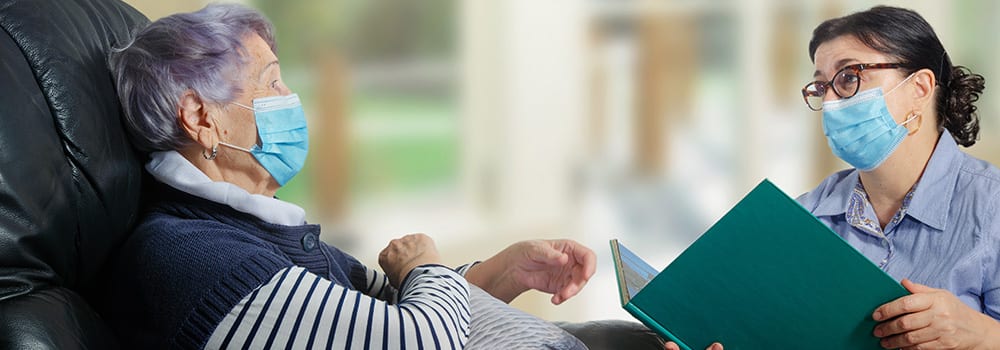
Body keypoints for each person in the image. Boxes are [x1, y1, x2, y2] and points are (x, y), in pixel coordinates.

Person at [104, 3, 664, 349]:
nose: (291, 100)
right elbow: (421, 340)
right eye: (272, 83)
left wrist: (505, 271)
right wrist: (424, 264)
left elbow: (388, 322)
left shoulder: (261, 236)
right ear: (201, 117)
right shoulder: (194, 259)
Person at [667, 6, 1000, 350]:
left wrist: (982, 335)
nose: (829, 102)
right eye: (821, 86)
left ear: (919, 87)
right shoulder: (803, 217)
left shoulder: (992, 207)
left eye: (848, 77)